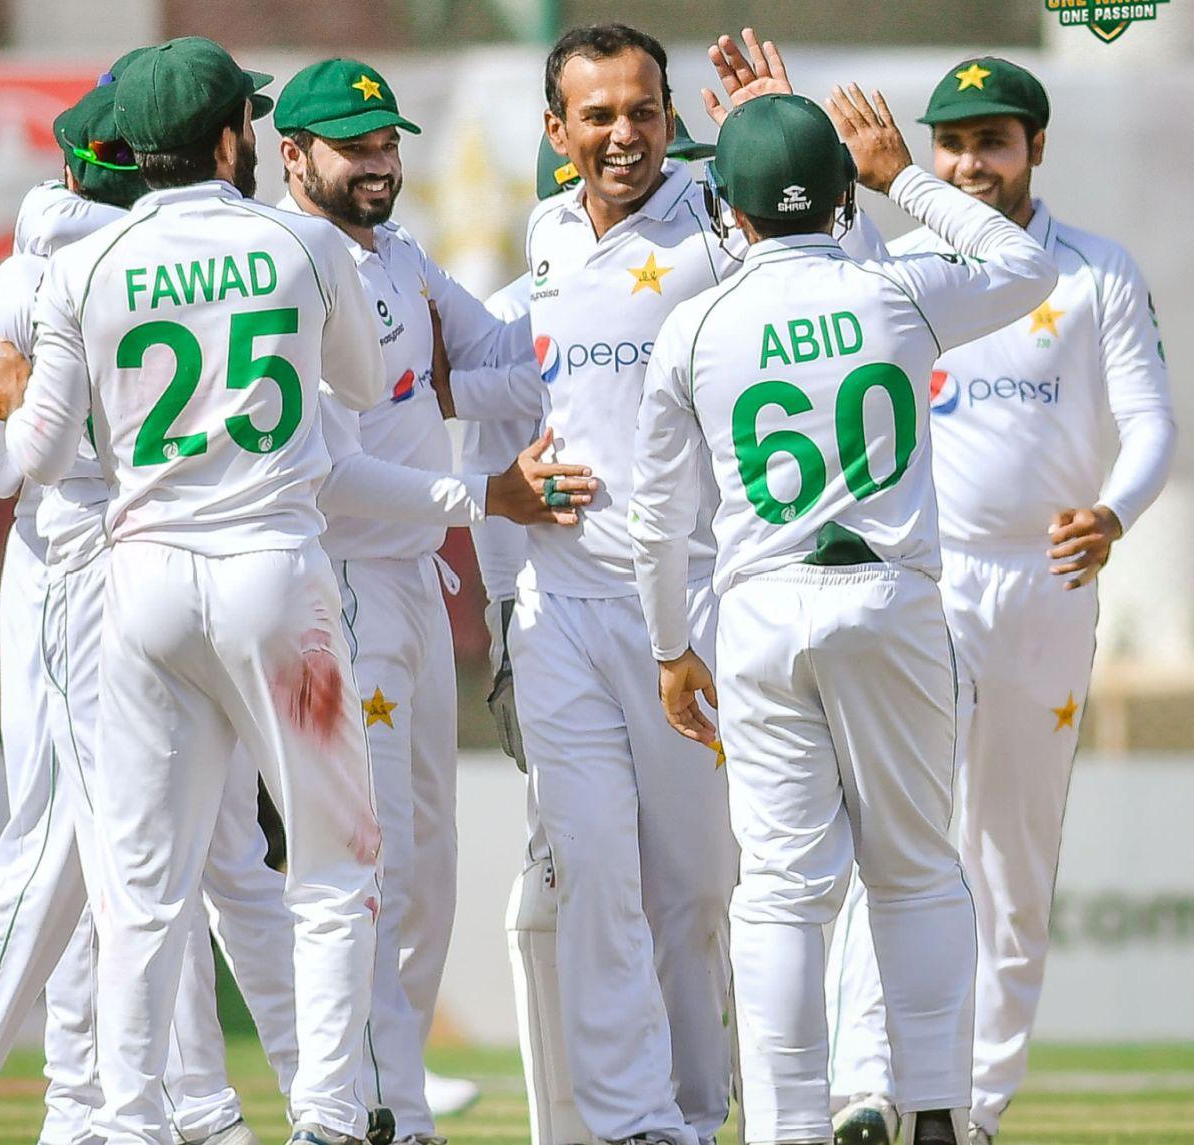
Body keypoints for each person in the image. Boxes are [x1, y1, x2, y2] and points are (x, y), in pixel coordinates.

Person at [439, 24, 887, 1145]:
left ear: (671, 117)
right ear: (558, 132)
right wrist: (499, 494)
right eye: (598, 116)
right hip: (560, 613)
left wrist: (797, 140)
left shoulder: (718, 218)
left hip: (692, 616)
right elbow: (498, 386)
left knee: (693, 891)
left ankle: (695, 1106)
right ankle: (636, 1119)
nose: (624, 135)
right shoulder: (539, 237)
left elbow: (849, 290)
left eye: (642, 111)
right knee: (593, 871)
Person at [628, 85, 1059, 1145]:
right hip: (893, 599)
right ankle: (935, 1110)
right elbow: (1028, 265)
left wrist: (670, 649)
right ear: (834, 196)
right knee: (915, 870)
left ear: (726, 210)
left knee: (780, 890)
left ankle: (784, 1127)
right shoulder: (894, 288)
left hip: (763, 611)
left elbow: (656, 520)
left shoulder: (693, 324)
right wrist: (900, 176)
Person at [0, 35, 389, 1145]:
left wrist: (19, 391)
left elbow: (38, 456)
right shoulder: (304, 242)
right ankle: (327, 1113)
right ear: (226, 139)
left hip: (143, 589)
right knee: (331, 862)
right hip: (277, 581)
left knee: (142, 884)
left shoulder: (80, 266)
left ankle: (127, 1121)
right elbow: (360, 379)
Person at [826, 57, 1175, 1145]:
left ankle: (968, 1111)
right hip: (919, 581)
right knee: (892, 836)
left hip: (1048, 582)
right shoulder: (902, 260)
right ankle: (867, 1089)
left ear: (1037, 148)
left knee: (1011, 866)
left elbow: (1154, 422)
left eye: (994, 142)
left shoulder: (1094, 269)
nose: (969, 163)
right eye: (953, 143)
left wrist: (1112, 513)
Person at [271, 57, 596, 1145]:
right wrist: (481, 493)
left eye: (387, 143)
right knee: (375, 868)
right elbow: (323, 467)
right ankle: (367, 1110)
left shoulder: (400, 257)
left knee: (429, 878)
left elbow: (507, 350)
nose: (378, 163)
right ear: (292, 156)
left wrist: (594, 264)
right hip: (339, 590)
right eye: (353, 147)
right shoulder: (291, 268)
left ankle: (392, 1105)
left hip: (411, 581)